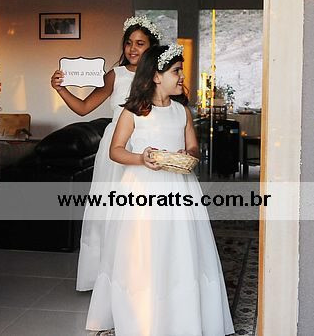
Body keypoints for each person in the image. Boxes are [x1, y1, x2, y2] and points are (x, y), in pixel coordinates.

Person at [86, 44, 235, 336]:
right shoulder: (132, 112)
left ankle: (179, 313)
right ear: (156, 76)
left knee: (179, 248)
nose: (182, 77)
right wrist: (141, 158)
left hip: (179, 188)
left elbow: (193, 148)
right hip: (142, 188)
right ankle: (142, 312)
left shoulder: (182, 112)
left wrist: (188, 154)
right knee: (144, 249)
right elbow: (116, 151)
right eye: (176, 71)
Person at [50, 15, 162, 291]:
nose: (133, 49)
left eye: (140, 43)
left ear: (151, 46)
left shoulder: (159, 76)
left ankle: (140, 275)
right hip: (115, 146)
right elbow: (84, 107)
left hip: (146, 144)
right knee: (111, 208)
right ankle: (106, 278)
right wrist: (60, 88)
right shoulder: (116, 75)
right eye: (129, 43)